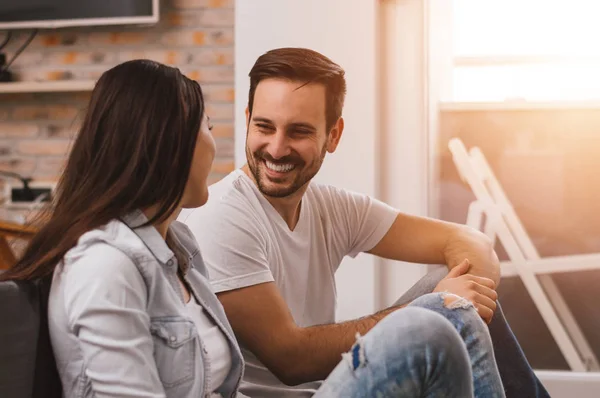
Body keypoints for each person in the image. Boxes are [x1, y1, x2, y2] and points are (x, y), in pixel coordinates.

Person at [180, 48, 547, 397]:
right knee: (447, 308)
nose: (276, 149)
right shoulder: (222, 218)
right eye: (264, 127)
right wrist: (437, 307)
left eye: (299, 132)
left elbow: (470, 242)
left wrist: (464, 296)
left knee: (460, 294)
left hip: (329, 388)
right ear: (247, 121)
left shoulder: (330, 207)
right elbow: (290, 359)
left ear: (333, 135)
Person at [0, 59, 246, 398]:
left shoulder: (181, 245)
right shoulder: (104, 266)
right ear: (172, 144)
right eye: (209, 127)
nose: (214, 145)